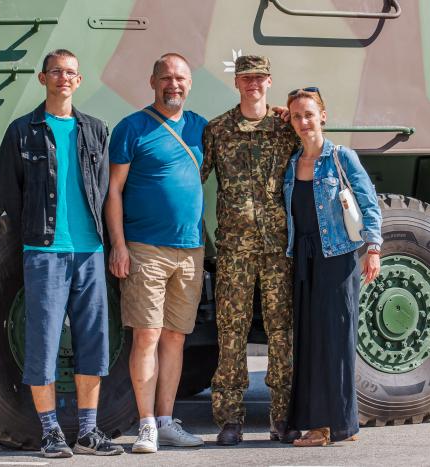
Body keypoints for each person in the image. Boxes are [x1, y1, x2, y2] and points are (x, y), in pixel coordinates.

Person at [0, 49, 123, 458]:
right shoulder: (22, 131)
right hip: (45, 251)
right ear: (42, 78)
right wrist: (38, 233)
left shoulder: (95, 130)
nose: (63, 78)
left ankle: (88, 432)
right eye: (56, 72)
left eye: (70, 73)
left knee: (93, 343)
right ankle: (50, 432)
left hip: (90, 251)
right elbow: (10, 195)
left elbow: (103, 191)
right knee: (43, 342)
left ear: (79, 80)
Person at [106, 53, 206, 454]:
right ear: (152, 81)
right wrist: (118, 245)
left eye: (180, 78)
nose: (173, 85)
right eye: (166, 78)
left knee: (175, 339)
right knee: (146, 336)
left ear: (189, 83)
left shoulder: (201, 128)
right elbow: (113, 191)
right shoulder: (131, 128)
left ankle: (165, 421)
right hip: (144, 248)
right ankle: (145, 424)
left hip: (191, 251)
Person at [201, 55, 301, 446]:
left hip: (278, 248)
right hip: (235, 251)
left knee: (281, 333)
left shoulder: (285, 127)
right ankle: (229, 420)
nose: (253, 84)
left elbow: (314, 146)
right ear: (237, 83)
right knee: (231, 332)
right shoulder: (219, 130)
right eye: (246, 78)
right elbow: (193, 177)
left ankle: (283, 418)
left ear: (269, 81)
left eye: (259, 78)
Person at [283, 88, 382, 447]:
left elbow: (369, 203)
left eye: (309, 114)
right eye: (296, 116)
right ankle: (343, 424)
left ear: (323, 116)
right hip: (305, 258)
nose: (303, 121)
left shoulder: (342, 157)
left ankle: (327, 427)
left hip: (337, 257)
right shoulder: (294, 163)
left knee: (336, 340)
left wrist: (373, 248)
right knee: (309, 341)